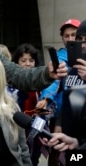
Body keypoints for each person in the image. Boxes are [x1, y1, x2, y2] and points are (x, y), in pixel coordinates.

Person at [36, 19, 81, 166]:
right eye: (66, 36)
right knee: (58, 155)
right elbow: (54, 82)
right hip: (63, 118)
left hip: (83, 119)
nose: (70, 39)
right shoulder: (61, 58)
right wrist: (46, 99)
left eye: (74, 35)